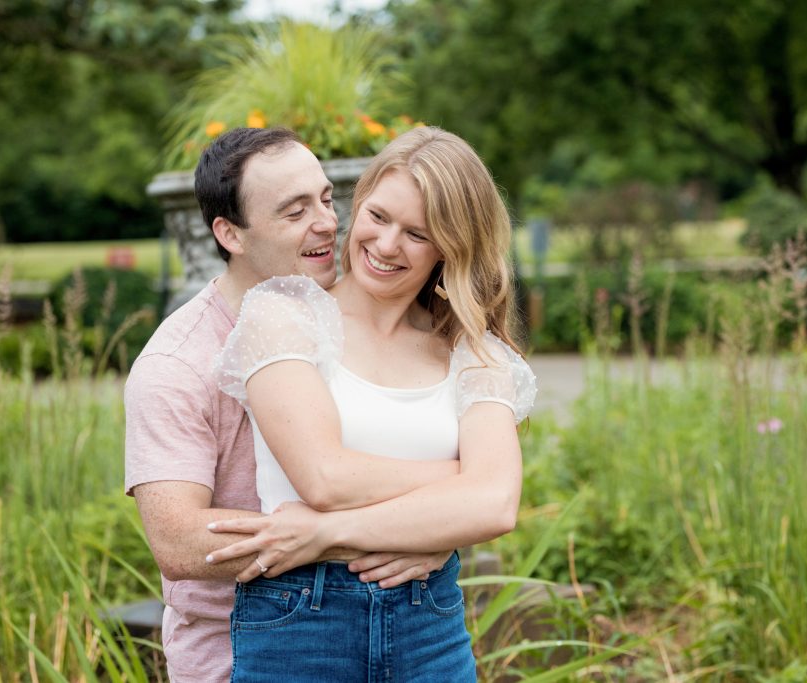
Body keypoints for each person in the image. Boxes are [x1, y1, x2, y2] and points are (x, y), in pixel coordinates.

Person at [124, 127, 453, 682]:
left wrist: (448, 526)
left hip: (393, 633)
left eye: (327, 199)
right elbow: (178, 540)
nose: (327, 222)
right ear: (231, 233)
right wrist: (406, 525)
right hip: (236, 656)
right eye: (294, 211)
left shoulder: (364, 309)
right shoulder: (176, 366)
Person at [208, 126, 536, 681]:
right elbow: (324, 477)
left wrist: (326, 533)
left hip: (428, 624)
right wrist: (460, 484)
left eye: (417, 234)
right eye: (378, 217)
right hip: (301, 622)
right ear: (357, 208)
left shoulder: (475, 353)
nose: (386, 246)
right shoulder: (285, 315)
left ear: (450, 247)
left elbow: (496, 507)